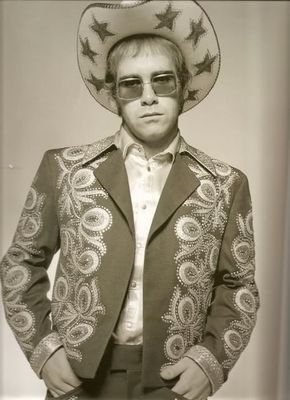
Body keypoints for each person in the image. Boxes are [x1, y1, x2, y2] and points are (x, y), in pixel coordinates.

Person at [0, 1, 259, 399]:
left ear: (184, 85)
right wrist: (44, 349)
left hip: (173, 381)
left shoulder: (225, 184)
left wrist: (210, 362)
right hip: (79, 380)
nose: (149, 96)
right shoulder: (65, 170)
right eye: (131, 84)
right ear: (113, 94)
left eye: (163, 81)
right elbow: (20, 262)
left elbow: (239, 287)